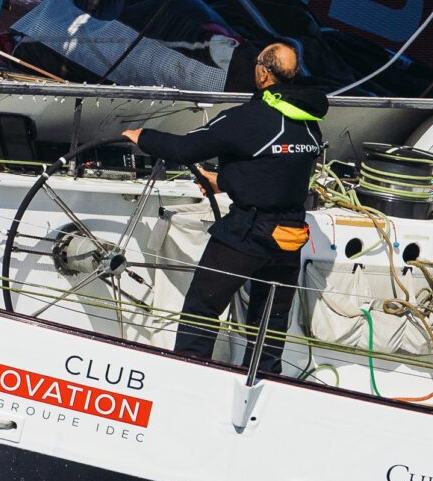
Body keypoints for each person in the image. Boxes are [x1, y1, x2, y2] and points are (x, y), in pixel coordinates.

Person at [122, 41, 324, 372]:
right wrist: (223, 180)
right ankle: (265, 380)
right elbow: (275, 171)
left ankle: (189, 373)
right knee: (268, 322)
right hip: (289, 237)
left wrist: (142, 136)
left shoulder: (246, 118)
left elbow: (185, 149)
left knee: (202, 307)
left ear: (262, 73)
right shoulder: (309, 120)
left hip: (248, 234)